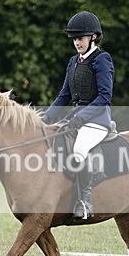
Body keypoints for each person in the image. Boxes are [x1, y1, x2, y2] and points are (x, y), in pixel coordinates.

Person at [41, 11, 114, 219]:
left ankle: (85, 202)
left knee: (79, 148)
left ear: (93, 37)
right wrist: (46, 118)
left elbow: (104, 97)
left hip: (97, 120)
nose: (76, 42)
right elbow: (64, 96)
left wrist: (81, 117)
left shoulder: (102, 59)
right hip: (76, 118)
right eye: (74, 39)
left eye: (80, 38)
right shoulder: (73, 61)